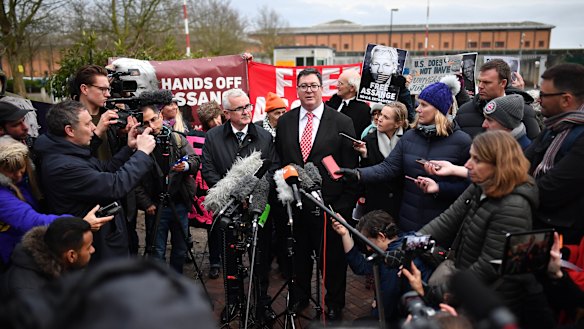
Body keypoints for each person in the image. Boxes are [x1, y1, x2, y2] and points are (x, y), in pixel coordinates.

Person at [419, 130, 555, 328]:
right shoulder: (482, 183)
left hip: (486, 297)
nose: (467, 165)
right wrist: (411, 241)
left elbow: (489, 266)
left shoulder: (513, 206)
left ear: (498, 164)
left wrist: (447, 289)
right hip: (468, 284)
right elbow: (449, 218)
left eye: (476, 159)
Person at [275, 68, 358, 320]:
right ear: (297, 90)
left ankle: (334, 303)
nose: (308, 90)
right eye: (303, 86)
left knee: (332, 261)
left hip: (329, 208)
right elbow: (281, 160)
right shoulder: (286, 121)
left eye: (313, 85)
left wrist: (343, 207)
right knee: (298, 257)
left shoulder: (342, 122)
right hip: (295, 205)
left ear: (322, 88)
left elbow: (350, 167)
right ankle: (299, 296)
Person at [339, 76, 471, 232]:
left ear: (440, 110)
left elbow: (470, 185)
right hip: (407, 223)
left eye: (424, 105)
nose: (417, 109)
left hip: (442, 226)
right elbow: (388, 168)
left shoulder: (462, 141)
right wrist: (358, 174)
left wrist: (440, 188)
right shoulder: (410, 137)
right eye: (418, 103)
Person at [34, 100, 156, 264]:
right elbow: (115, 185)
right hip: (94, 249)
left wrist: (129, 148)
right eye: (88, 123)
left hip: (103, 241)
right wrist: (142, 153)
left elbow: (106, 169)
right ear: (69, 130)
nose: (94, 127)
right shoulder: (63, 166)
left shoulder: (69, 153)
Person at [201, 88, 279, 320]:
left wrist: (255, 194)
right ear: (226, 113)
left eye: (248, 106)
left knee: (260, 258)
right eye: (240, 108)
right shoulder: (213, 136)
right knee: (230, 260)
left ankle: (261, 303)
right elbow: (208, 170)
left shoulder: (264, 136)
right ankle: (234, 302)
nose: (246, 111)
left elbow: (272, 167)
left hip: (258, 207)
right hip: (228, 208)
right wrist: (235, 195)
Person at [0, 137, 110, 266]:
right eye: (11, 172)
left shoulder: (21, 180)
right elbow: (30, 220)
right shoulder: (2, 196)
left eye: (21, 170)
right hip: (11, 254)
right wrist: (78, 224)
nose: (18, 175)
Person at [331, 210, 430, 323]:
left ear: (381, 236)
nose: (368, 248)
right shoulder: (405, 239)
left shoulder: (391, 263)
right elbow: (362, 266)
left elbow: (384, 311)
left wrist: (377, 306)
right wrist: (345, 234)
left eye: (369, 242)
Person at [134, 104, 198, 273]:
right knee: (157, 250)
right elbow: (135, 179)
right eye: (146, 123)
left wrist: (185, 165)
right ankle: (160, 286)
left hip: (179, 203)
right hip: (155, 206)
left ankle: (176, 283)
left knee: (180, 248)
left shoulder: (177, 139)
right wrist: (146, 203)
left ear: (161, 116)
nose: (151, 126)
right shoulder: (141, 145)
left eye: (154, 120)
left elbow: (194, 160)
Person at [525, 63, 584, 244]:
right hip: (540, 228)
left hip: (563, 241)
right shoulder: (552, 127)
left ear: (566, 99)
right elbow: (519, 163)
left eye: (544, 95)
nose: (538, 100)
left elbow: (549, 190)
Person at [1, 217, 94, 296]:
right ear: (71, 255)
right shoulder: (28, 293)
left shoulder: (62, 263)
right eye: (88, 247)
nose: (93, 250)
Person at [455, 59, 540, 139]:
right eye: (479, 81)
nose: (480, 86)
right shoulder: (464, 111)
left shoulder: (524, 112)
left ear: (503, 83)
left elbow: (534, 148)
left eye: (486, 82)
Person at [355, 102, 408, 219]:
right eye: (380, 115)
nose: (379, 119)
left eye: (385, 117)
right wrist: (364, 155)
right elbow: (368, 171)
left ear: (397, 123)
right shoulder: (368, 139)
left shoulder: (409, 139)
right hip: (376, 201)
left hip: (401, 202)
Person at [189, 101, 223, 277]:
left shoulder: (219, 134)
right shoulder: (210, 136)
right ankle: (215, 261)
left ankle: (216, 261)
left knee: (214, 226)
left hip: (206, 186)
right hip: (203, 186)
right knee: (213, 225)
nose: (219, 120)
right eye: (216, 117)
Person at [326, 70, 372, 137]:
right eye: (338, 82)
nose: (337, 86)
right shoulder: (333, 100)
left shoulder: (363, 110)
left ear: (352, 88)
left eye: (341, 83)